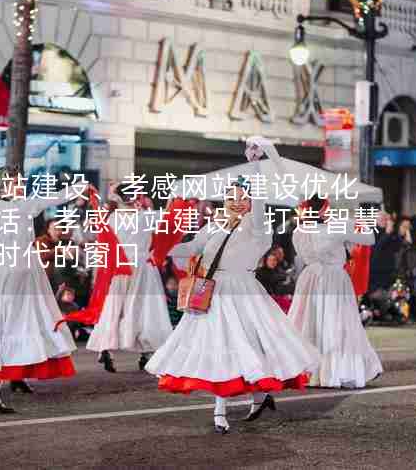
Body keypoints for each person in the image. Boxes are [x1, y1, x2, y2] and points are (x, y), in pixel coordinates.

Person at [146, 136, 320, 435]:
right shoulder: (213, 225)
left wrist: (255, 167)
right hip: (212, 292)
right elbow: (191, 247)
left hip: (244, 291)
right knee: (220, 347)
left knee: (250, 347)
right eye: (230, 197)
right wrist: (160, 249)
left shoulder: (258, 228)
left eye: (242, 197)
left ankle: (253, 398)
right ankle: (223, 408)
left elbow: (260, 198)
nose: (236, 201)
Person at [0, 166, 80, 414]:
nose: (20, 185)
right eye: (14, 182)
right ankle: (2, 386)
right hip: (19, 276)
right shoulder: (22, 206)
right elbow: (59, 197)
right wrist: (82, 188)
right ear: (2, 188)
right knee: (20, 328)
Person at [288, 194, 382, 389]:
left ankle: (307, 372)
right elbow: (369, 239)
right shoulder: (337, 225)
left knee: (307, 323)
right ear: (326, 208)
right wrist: (360, 219)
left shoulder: (299, 231)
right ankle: (335, 371)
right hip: (334, 279)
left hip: (309, 277)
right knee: (339, 324)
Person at [84, 184, 174, 373]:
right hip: (142, 268)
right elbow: (169, 215)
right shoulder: (145, 217)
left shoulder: (113, 219)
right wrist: (173, 197)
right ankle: (146, 353)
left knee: (115, 309)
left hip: (120, 268)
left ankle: (105, 347)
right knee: (145, 311)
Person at [255, 246, 295, 314]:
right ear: (266, 260)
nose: (273, 262)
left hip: (276, 298)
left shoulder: (276, 270)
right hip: (267, 300)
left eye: (275, 260)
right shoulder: (261, 273)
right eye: (271, 260)